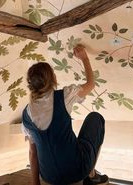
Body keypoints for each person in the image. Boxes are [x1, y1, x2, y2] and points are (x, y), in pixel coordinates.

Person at [22, 44, 108, 185]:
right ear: (53, 78)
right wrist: (84, 58)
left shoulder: (27, 113)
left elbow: (33, 152)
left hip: (49, 177)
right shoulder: (65, 96)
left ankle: (89, 174)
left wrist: (35, 183)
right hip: (77, 170)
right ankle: (91, 175)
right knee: (95, 118)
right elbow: (91, 84)